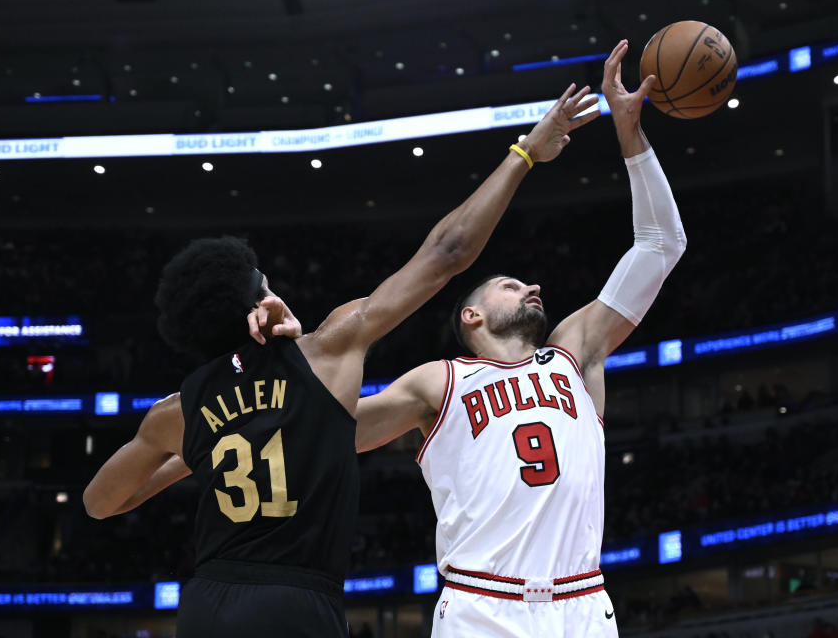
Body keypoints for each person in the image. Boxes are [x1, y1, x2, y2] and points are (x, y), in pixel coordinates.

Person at [81, 82, 599, 638]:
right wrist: (523, 154)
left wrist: (195, 453)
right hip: (296, 601)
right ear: (258, 302)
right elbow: (448, 254)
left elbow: (100, 503)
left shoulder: (178, 412)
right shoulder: (327, 352)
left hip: (208, 601)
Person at [277, 40, 684, 636]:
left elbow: (660, 245)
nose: (532, 288)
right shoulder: (439, 380)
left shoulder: (576, 352)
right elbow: (331, 432)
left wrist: (630, 133)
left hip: (583, 604)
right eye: (511, 284)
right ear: (471, 317)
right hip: (482, 607)